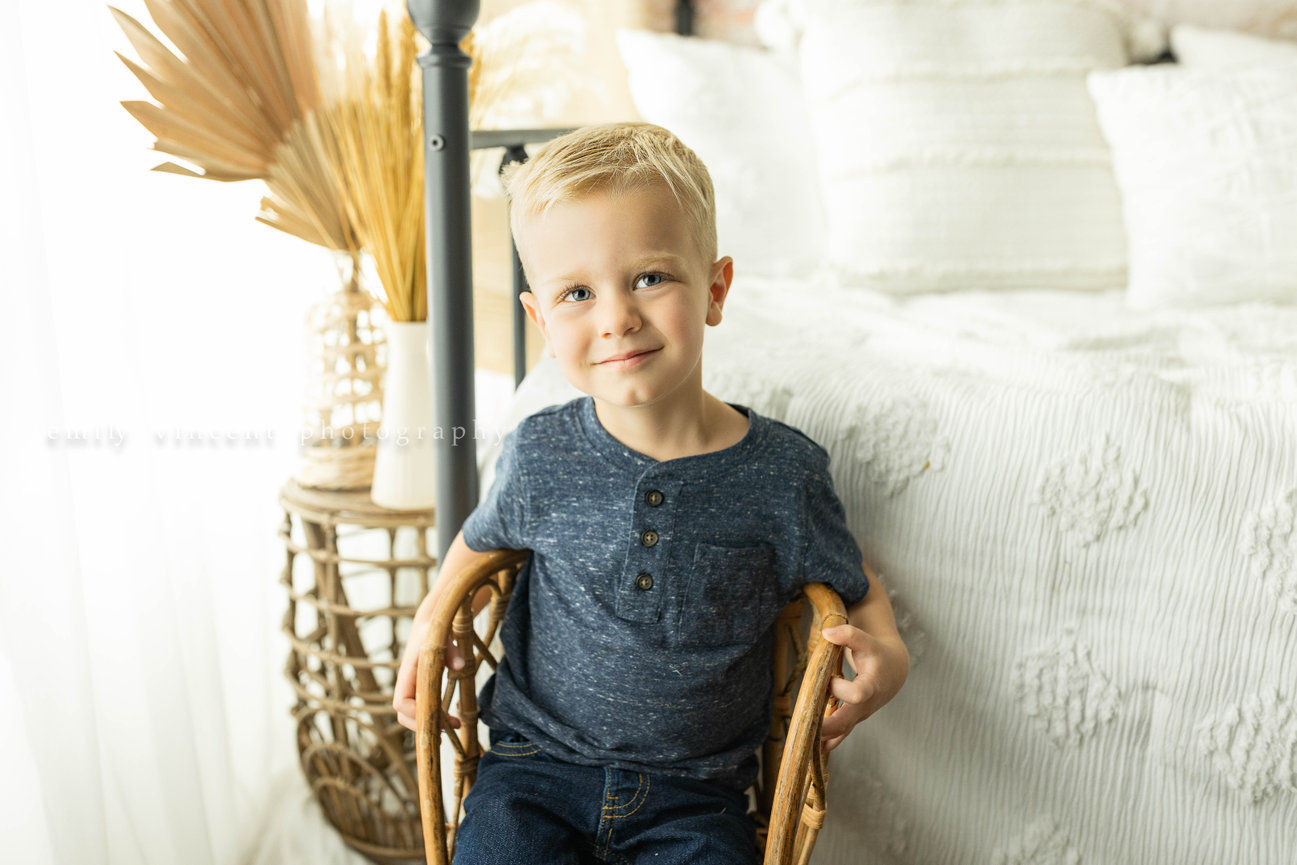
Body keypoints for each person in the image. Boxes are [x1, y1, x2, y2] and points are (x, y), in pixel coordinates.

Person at [393, 122, 908, 864]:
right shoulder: (542, 452)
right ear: (540, 320)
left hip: (694, 796)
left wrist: (887, 652)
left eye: (649, 277)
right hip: (532, 773)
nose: (615, 318)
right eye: (576, 292)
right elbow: (480, 546)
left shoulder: (780, 474)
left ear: (715, 289)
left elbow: (851, 586)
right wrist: (428, 625)